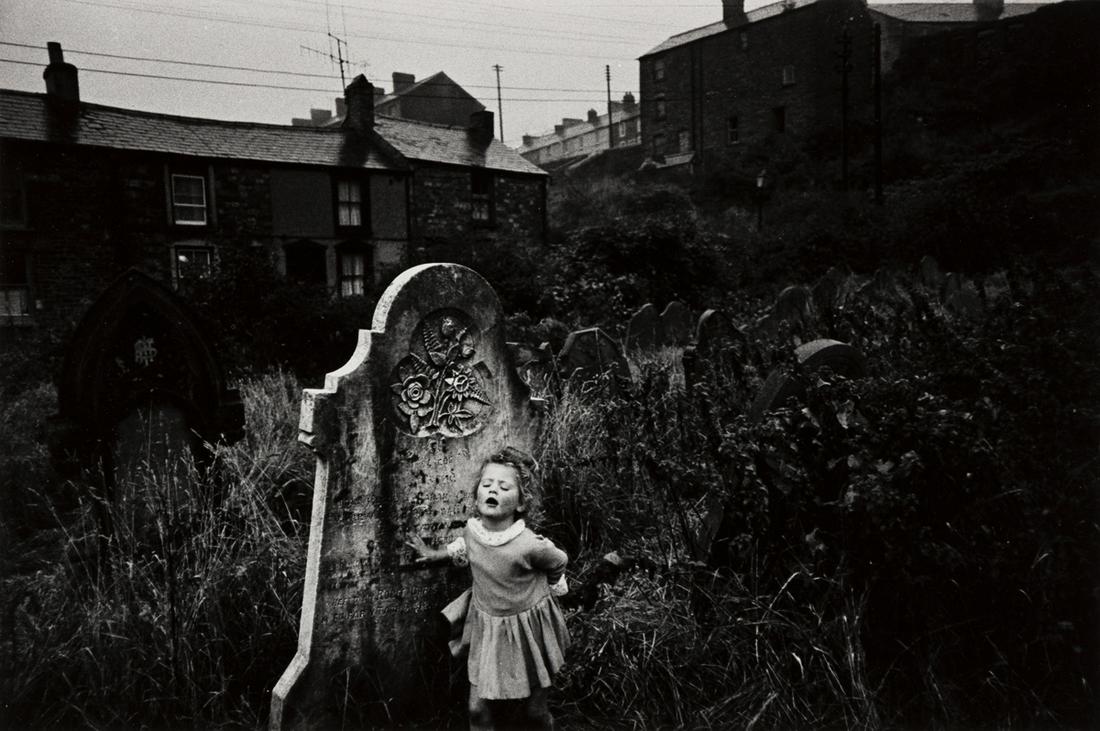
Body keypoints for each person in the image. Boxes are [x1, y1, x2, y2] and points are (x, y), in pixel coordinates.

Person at [407, 446, 569, 731]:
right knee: (477, 712)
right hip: (488, 629)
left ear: (520, 503)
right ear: (477, 493)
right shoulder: (474, 530)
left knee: (534, 713)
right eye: (487, 484)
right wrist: (435, 554)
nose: (493, 490)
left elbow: (558, 561)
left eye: (504, 487)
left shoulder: (529, 544)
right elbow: (466, 546)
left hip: (527, 628)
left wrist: (554, 591)